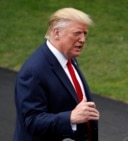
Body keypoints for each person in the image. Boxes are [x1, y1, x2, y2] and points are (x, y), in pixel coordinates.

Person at [13, 7, 99, 141]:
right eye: (77, 33)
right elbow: (31, 121)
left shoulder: (69, 58)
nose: (82, 39)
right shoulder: (34, 71)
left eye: (85, 33)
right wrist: (70, 117)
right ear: (56, 33)